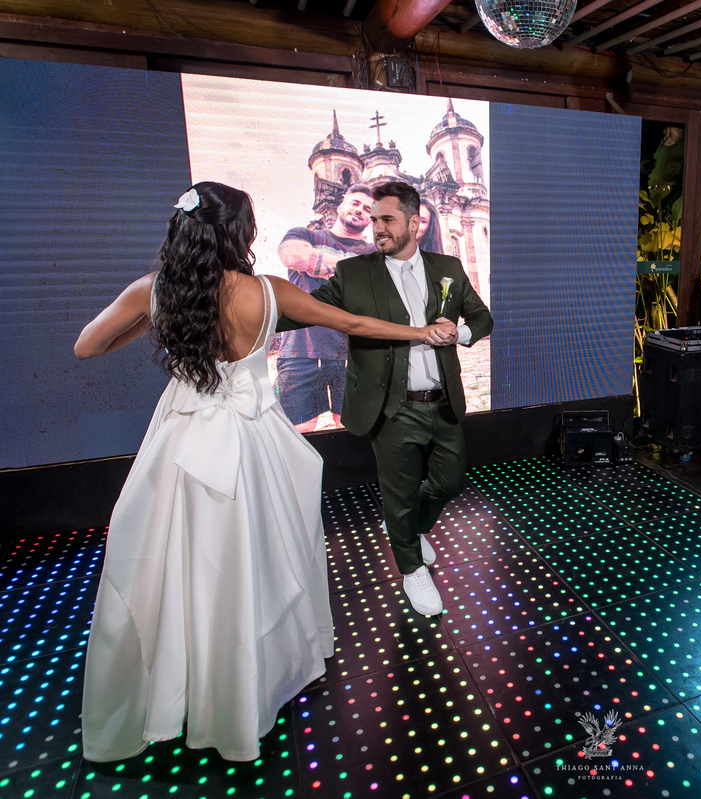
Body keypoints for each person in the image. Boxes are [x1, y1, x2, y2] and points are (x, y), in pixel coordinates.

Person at [73, 182, 452, 763]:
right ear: (238, 233)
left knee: (178, 558)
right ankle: (252, 679)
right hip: (254, 439)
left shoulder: (156, 290)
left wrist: (150, 318)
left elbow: (88, 347)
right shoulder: (267, 291)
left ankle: (182, 681)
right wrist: (420, 332)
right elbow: (353, 324)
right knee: (260, 554)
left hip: (181, 438)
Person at [277, 180, 493, 616]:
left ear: (413, 223)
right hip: (391, 406)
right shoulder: (353, 272)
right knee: (399, 493)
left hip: (444, 401)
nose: (377, 227)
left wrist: (459, 333)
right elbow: (304, 310)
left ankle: (409, 530)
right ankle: (411, 568)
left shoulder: (447, 267)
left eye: (387, 219)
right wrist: (251, 309)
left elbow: (482, 318)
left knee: (450, 482)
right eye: (374, 219)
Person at [275, 183, 376, 431]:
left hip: (354, 356)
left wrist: (322, 265)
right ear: (341, 206)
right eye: (355, 203)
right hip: (300, 351)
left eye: (367, 209)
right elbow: (293, 256)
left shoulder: (375, 253)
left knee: (352, 432)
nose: (360, 210)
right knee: (297, 431)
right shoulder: (306, 235)